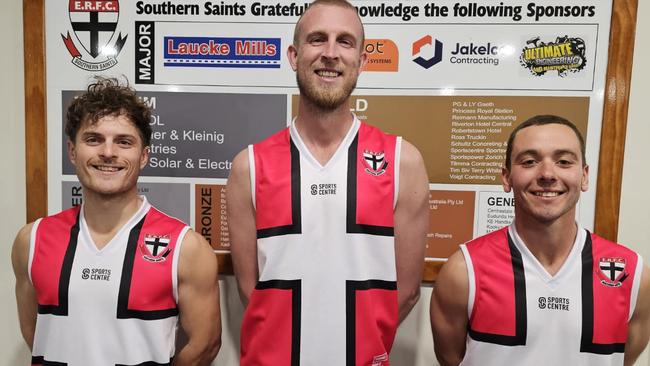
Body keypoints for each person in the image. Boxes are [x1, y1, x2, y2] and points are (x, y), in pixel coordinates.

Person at [226, 0, 429, 364]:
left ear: (363, 61)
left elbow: (408, 291)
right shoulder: (249, 167)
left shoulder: (403, 162)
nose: (330, 53)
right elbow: (250, 290)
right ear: (293, 54)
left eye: (345, 41)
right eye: (317, 39)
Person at [11, 78, 221, 365]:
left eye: (123, 142)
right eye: (93, 139)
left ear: (143, 155)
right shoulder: (31, 241)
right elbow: (34, 332)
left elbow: (205, 345)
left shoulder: (186, 248)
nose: (108, 153)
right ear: (72, 151)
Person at [430, 115, 650, 366]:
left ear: (585, 176)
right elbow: (452, 359)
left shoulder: (633, 276)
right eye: (529, 161)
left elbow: (623, 359)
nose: (547, 173)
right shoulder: (462, 272)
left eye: (564, 161)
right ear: (506, 177)